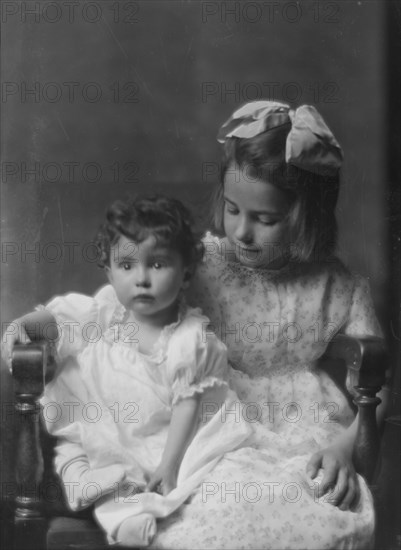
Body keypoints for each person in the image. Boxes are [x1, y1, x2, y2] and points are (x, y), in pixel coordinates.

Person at [150, 101, 386, 549]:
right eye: (234, 209)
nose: (240, 232)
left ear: (306, 219)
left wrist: (343, 448)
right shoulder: (204, 263)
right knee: (224, 508)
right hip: (222, 421)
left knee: (318, 509)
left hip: (309, 429)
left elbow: (379, 385)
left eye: (265, 219)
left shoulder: (337, 284)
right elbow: (131, 302)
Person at [2, 196, 252, 547]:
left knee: (196, 479)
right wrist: (25, 324)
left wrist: (169, 463)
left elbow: (187, 405)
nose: (142, 279)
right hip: (111, 429)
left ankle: (154, 513)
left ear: (185, 275)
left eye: (158, 265)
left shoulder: (189, 337)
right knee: (83, 460)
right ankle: (113, 510)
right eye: (127, 266)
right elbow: (62, 317)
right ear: (109, 271)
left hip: (168, 437)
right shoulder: (108, 310)